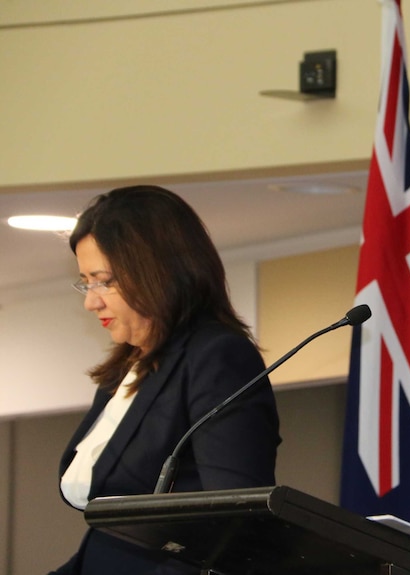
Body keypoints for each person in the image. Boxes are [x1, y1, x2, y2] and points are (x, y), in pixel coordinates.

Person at [52, 185, 281, 574]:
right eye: (86, 282)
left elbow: (229, 527)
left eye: (103, 280)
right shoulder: (124, 370)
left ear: (157, 271)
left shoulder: (217, 358)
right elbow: (108, 543)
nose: (91, 300)